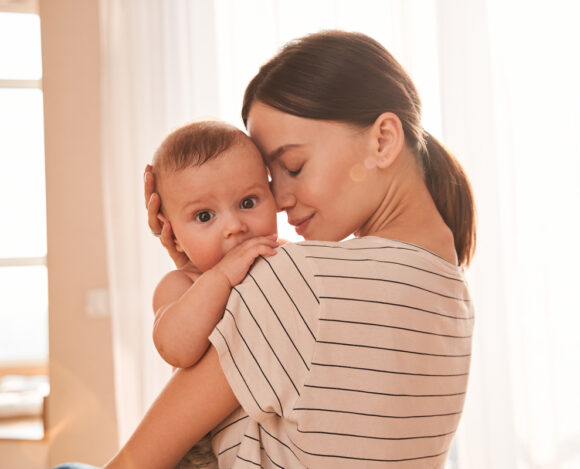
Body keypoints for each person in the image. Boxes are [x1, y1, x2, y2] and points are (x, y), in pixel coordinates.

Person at [57, 29, 476, 469]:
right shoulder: (454, 292)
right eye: (271, 180)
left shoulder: (300, 279)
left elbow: (135, 463)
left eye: (294, 166)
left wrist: (221, 283)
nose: (279, 199)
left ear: (383, 140)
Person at [149, 119, 280, 468]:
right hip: (202, 456)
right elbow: (176, 349)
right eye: (205, 215)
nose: (234, 226)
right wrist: (221, 275)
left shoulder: (282, 261)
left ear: (275, 198)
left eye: (249, 202)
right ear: (173, 236)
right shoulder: (183, 285)